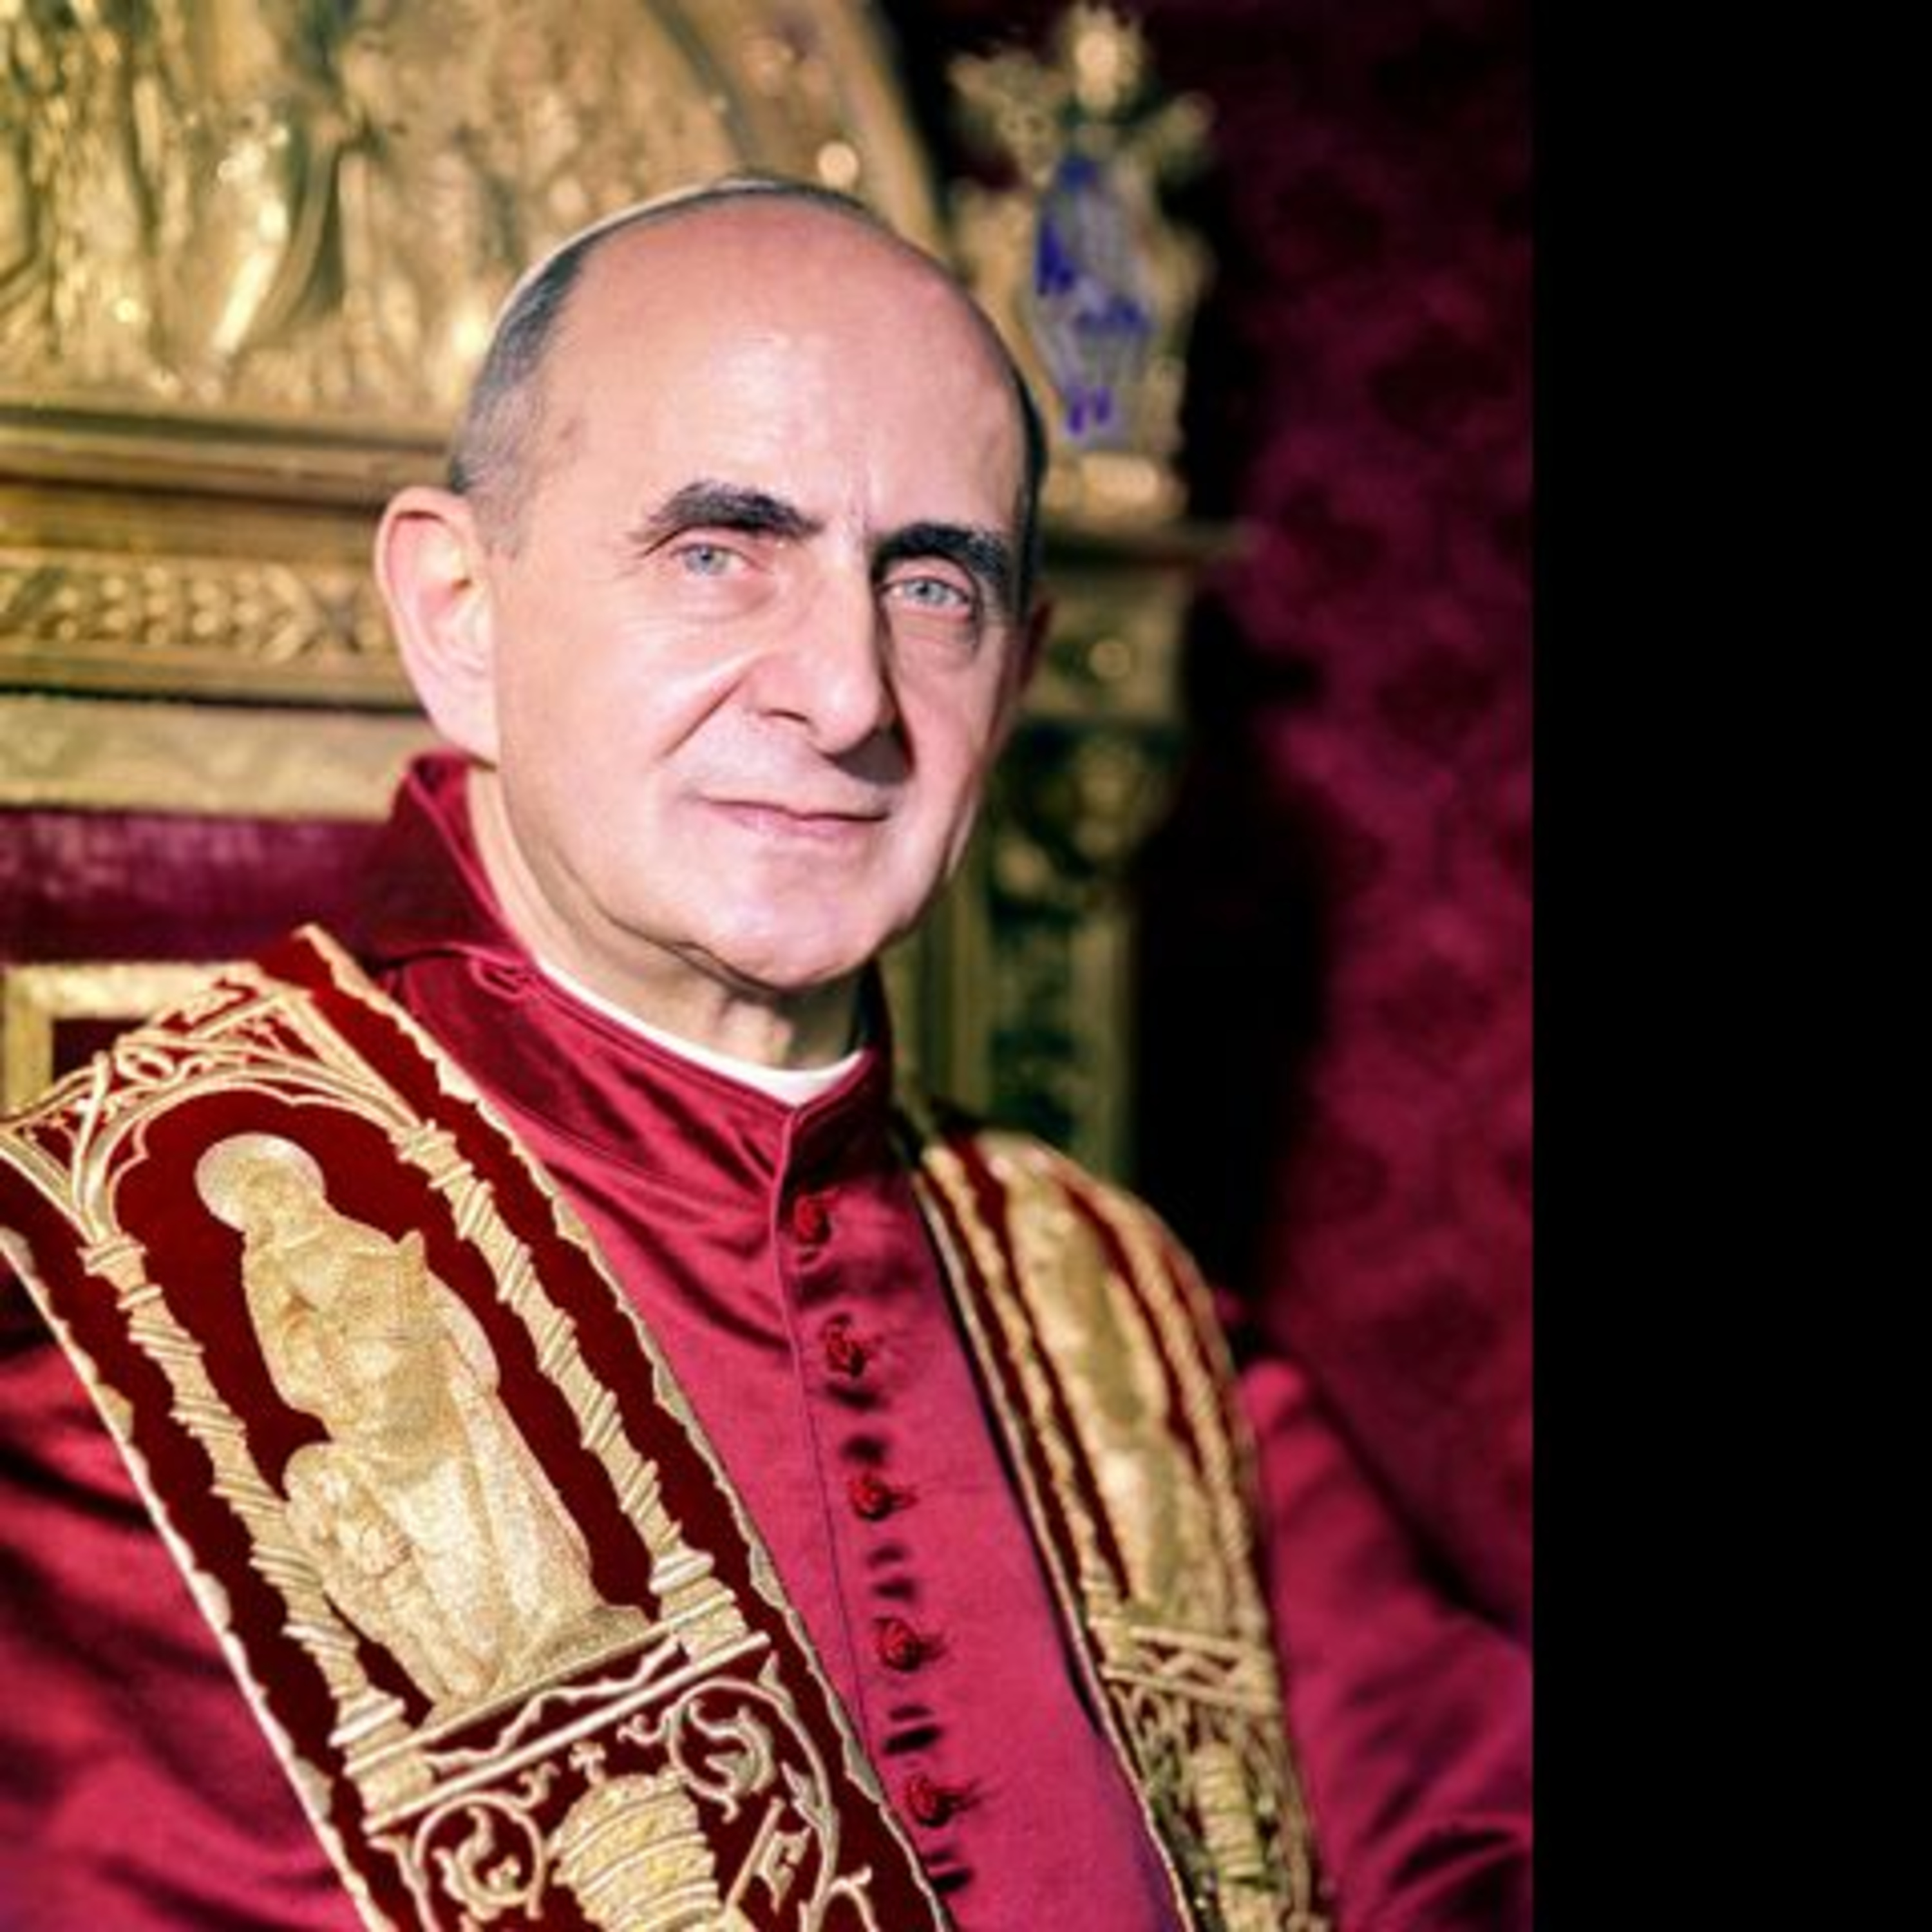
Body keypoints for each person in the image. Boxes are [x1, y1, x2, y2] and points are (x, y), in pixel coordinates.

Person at [0, 178, 1529, 1931]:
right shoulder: (72, 1311)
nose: (850, 697)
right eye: (718, 553)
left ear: (1017, 675)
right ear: (458, 610)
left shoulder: (1122, 1315)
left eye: (934, 586)